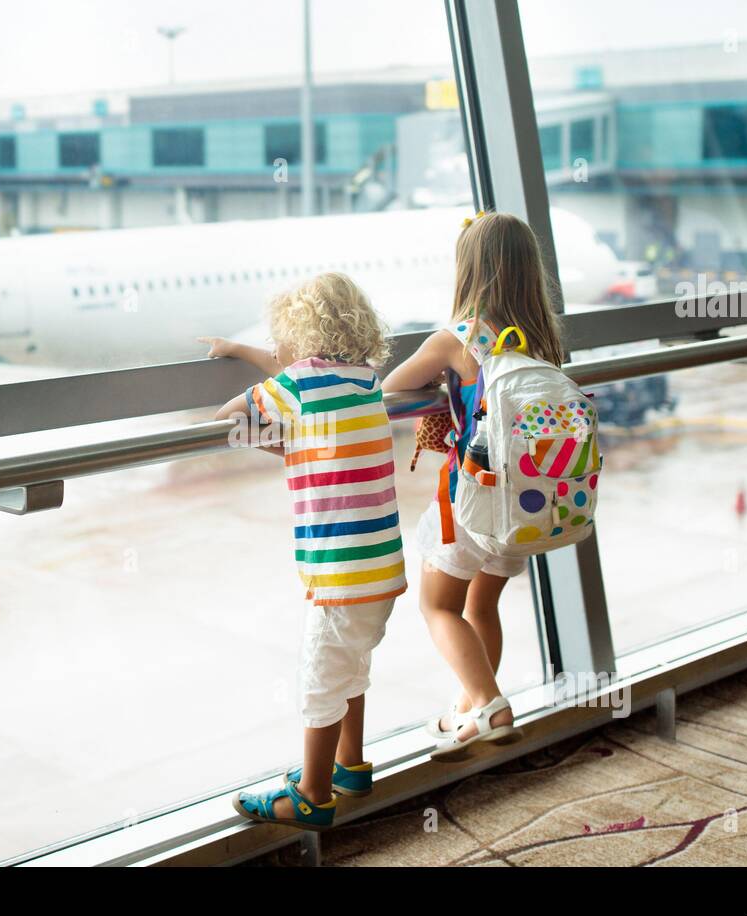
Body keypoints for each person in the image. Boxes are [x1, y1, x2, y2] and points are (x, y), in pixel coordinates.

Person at [204, 273, 406, 830]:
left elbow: (228, 419)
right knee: (352, 667)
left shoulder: (296, 384)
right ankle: (350, 766)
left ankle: (314, 796)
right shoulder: (365, 379)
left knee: (321, 679)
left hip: (338, 573)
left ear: (298, 335)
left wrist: (289, 443)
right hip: (381, 566)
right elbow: (296, 377)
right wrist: (242, 350)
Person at [382, 210, 565, 761]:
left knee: (438, 607)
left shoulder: (457, 339)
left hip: (472, 498)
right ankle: (469, 712)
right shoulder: (542, 340)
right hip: (526, 501)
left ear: (468, 270)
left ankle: (490, 705)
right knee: (482, 608)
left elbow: (390, 390)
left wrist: (445, 383)